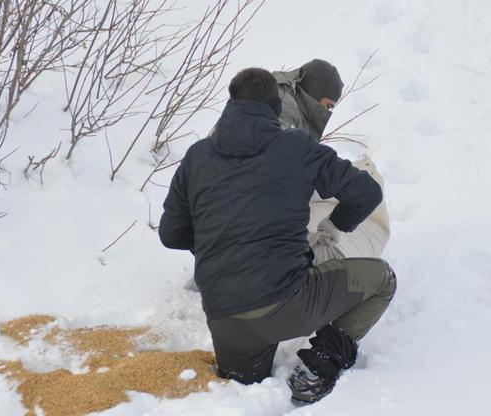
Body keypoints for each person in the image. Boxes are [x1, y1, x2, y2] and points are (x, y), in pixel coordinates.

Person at [158, 68, 397, 403]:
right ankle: (320, 365)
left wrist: (219, 242)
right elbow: (366, 193)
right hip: (285, 304)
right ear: (275, 107)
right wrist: (334, 225)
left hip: (225, 318)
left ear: (231, 104)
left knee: (245, 394)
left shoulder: (197, 156)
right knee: (382, 280)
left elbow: (171, 234)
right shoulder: (296, 145)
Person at [274, 59, 391, 264]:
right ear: (314, 93)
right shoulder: (285, 119)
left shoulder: (276, 97)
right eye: (327, 105)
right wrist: (330, 229)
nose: (327, 112)